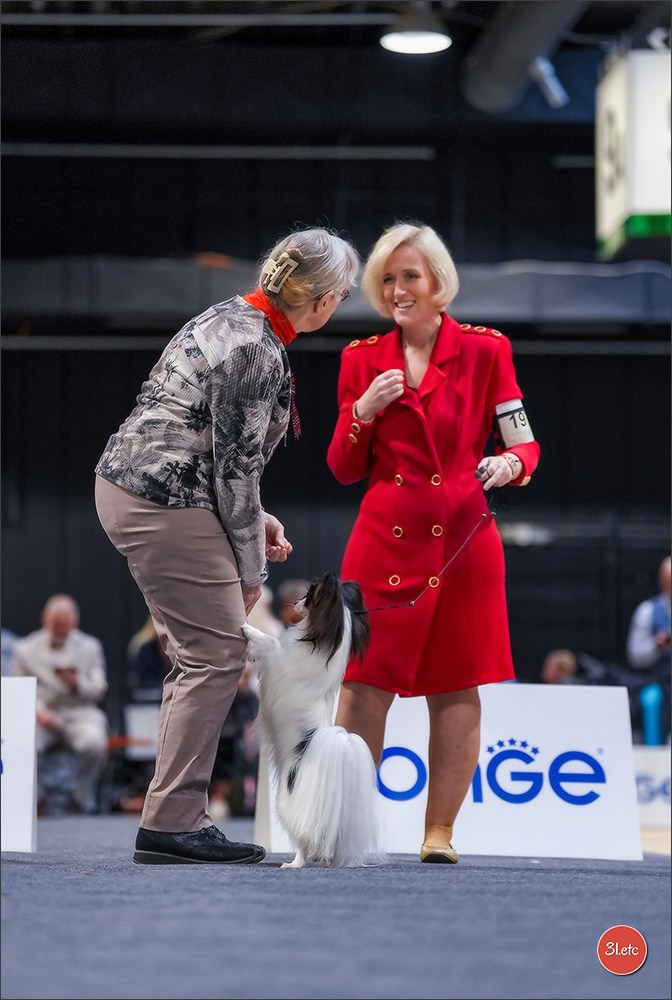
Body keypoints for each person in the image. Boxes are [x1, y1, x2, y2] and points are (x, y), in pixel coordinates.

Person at [94, 226, 359, 865]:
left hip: (147, 491)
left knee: (199, 655)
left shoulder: (229, 319)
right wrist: (250, 568)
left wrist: (257, 518)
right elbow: (233, 467)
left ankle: (173, 814)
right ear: (320, 299)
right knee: (214, 654)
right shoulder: (255, 348)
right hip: (164, 500)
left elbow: (214, 449)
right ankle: (172, 822)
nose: (342, 305)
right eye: (344, 294)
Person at [326, 221, 540, 864]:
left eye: (409, 276)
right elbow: (342, 466)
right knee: (363, 687)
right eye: (387, 279)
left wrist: (512, 465)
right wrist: (362, 410)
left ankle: (438, 833)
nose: (397, 289)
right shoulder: (360, 359)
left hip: (464, 544)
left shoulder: (486, 351)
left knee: (457, 686)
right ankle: (344, 831)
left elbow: (523, 439)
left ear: (438, 281)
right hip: (382, 544)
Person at [10, 594, 109, 815]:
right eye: (56, 624)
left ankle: (77, 798)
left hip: (79, 711)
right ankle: (36, 799)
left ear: (75, 622)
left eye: (65, 625)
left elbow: (100, 686)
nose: (60, 629)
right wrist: (38, 712)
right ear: (45, 620)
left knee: (95, 741)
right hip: (42, 712)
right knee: (23, 743)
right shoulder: (25, 649)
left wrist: (78, 684)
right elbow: (18, 688)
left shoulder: (90, 647)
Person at [626, 554, 671, 744]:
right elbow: (635, 656)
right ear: (661, 580)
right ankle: (654, 758)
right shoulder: (648, 610)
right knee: (652, 699)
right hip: (660, 681)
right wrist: (657, 646)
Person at [541, 649, 609, 685]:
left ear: (561, 668)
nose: (545, 669)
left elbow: (599, 671)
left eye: (548, 665)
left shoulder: (573, 687)